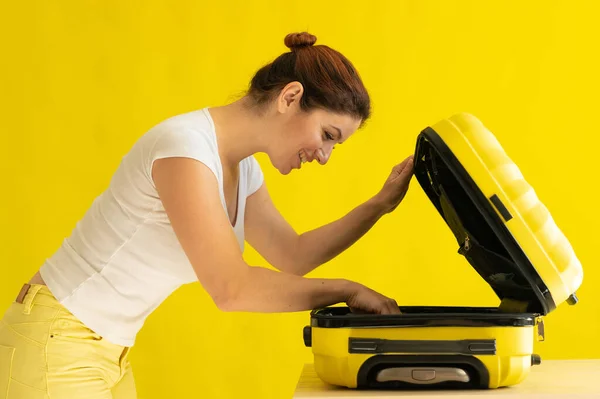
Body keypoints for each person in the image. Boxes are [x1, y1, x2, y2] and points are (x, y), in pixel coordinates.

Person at [0, 32, 414, 398]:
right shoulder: (186, 148)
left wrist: (380, 204)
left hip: (106, 350)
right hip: (57, 340)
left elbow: (293, 254)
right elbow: (232, 289)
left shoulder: (240, 165)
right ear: (290, 97)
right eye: (327, 135)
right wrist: (347, 289)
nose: (324, 156)